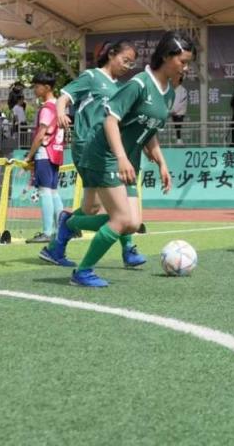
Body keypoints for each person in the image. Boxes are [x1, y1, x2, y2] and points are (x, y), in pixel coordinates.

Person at [51, 31, 192, 287]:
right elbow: (110, 120)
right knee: (121, 220)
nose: (186, 67)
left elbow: (149, 132)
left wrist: (161, 163)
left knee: (132, 223)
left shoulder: (168, 93)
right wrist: (121, 157)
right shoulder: (138, 84)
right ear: (166, 57)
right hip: (105, 155)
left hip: (126, 160)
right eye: (183, 61)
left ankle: (70, 222)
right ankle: (82, 272)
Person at [40, 39, 144, 268]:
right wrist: (60, 113)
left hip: (104, 150)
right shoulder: (92, 76)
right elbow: (64, 97)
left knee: (91, 208)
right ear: (111, 54)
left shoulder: (119, 88)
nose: (127, 66)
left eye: (131, 63)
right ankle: (127, 248)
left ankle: (60, 237)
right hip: (87, 146)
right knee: (120, 205)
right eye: (124, 60)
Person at [24, 73, 66, 244]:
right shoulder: (60, 106)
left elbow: (41, 134)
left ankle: (48, 231)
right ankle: (62, 229)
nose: (35, 89)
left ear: (47, 88)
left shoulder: (47, 108)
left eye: (37, 86)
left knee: (44, 191)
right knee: (53, 191)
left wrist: (29, 155)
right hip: (56, 152)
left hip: (45, 153)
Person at [170, 76, 189, 145]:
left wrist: (174, 110)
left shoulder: (183, 90)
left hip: (179, 113)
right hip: (173, 112)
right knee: (176, 126)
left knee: (178, 126)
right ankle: (178, 140)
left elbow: (181, 103)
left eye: (174, 80)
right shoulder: (173, 90)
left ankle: (179, 141)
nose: (172, 82)